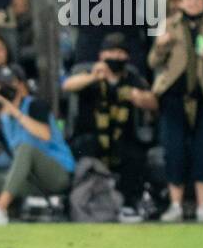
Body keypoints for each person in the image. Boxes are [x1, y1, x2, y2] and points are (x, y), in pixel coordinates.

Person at [0, 65, 75, 226]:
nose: (4, 88)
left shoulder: (35, 105)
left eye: (10, 83)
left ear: (22, 86)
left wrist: (14, 112)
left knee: (25, 148)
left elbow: (45, 134)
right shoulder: (2, 117)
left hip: (58, 174)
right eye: (0, 84)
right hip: (31, 180)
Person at [148, 0, 203, 223]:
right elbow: (153, 61)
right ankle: (175, 205)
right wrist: (161, 46)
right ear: (180, 3)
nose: (194, 2)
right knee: (175, 149)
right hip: (174, 96)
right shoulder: (168, 25)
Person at [62, 32, 158, 219]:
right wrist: (93, 78)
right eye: (111, 52)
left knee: (134, 154)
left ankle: (128, 204)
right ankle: (82, 204)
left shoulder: (131, 77)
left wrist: (137, 96)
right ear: (102, 55)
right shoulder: (89, 73)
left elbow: (153, 101)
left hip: (123, 136)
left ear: (127, 56)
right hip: (91, 136)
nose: (115, 57)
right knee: (85, 148)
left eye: (120, 53)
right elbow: (67, 85)